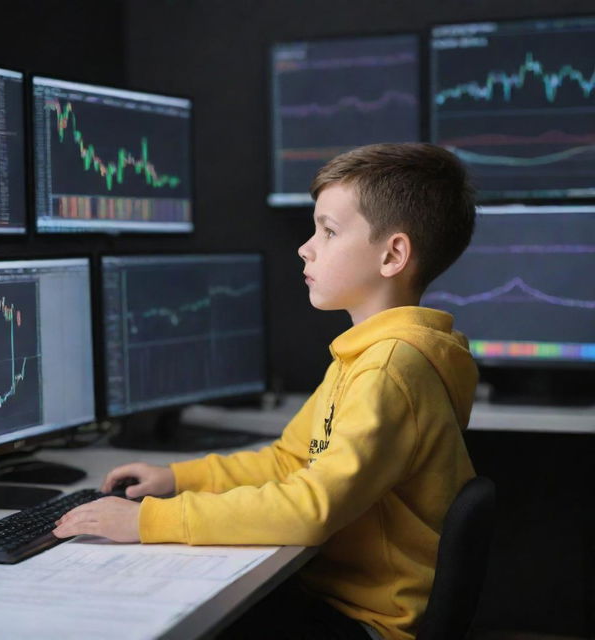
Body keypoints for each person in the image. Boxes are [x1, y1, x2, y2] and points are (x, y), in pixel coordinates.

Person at [53, 142, 478, 640]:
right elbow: (288, 463)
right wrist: (176, 478)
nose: (306, 246)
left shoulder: (389, 369)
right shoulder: (366, 356)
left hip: (370, 623)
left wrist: (148, 521)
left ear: (393, 255)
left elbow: (309, 510)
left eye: (329, 231)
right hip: (339, 599)